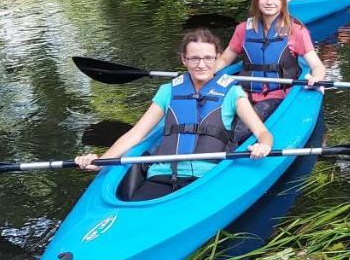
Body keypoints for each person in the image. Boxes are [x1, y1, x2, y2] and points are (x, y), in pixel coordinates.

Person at [75, 29, 275, 201]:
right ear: (184, 60)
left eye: (208, 58)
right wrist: (100, 162)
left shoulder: (233, 93)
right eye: (194, 58)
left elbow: (263, 133)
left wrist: (263, 145)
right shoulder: (167, 91)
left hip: (206, 177)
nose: (201, 64)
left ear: (217, 58)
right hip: (160, 175)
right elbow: (136, 134)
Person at [214, 0, 327, 137]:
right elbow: (225, 59)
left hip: (277, 95)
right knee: (212, 120)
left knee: (240, 132)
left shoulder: (296, 31)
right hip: (243, 92)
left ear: (283, 2)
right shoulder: (242, 29)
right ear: (256, 0)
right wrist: (204, 72)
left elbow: (317, 66)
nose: (269, 2)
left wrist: (316, 78)